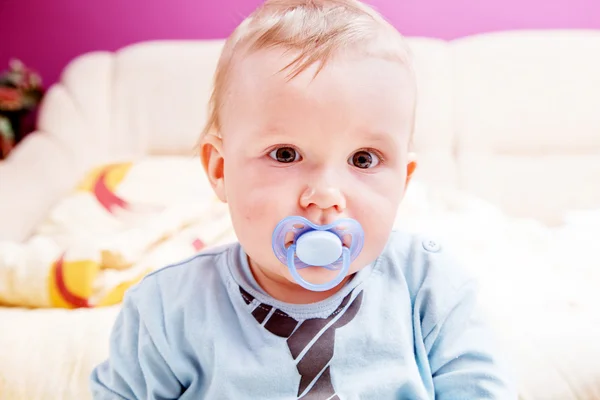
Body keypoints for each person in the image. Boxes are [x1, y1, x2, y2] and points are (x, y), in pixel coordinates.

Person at [90, 0, 516, 398]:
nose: (326, 197)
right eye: (285, 154)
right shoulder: (168, 308)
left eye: (363, 159)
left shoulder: (430, 288)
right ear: (221, 170)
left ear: (403, 183)